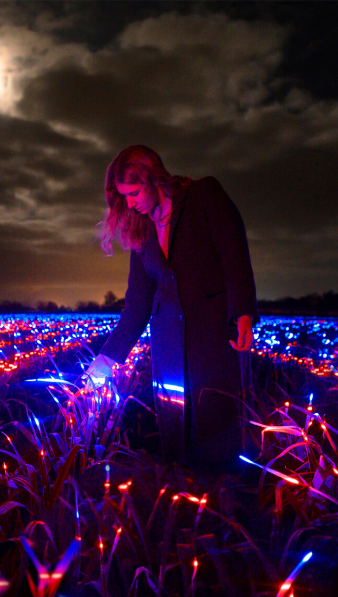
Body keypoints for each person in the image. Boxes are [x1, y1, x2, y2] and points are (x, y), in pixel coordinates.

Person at [82, 145, 259, 470]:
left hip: (214, 339)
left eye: (134, 192)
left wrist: (243, 313)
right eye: (124, 196)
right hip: (167, 349)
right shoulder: (141, 232)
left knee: (218, 428)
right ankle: (182, 500)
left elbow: (234, 256)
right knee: (176, 434)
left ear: (154, 179)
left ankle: (225, 502)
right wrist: (106, 361)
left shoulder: (204, 196)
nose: (130, 203)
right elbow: (137, 304)